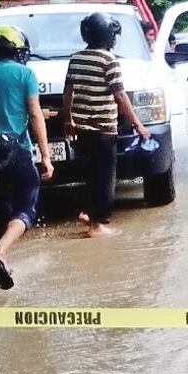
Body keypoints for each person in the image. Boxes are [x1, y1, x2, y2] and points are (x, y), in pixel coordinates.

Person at [0, 25, 54, 290]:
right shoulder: (26, 74)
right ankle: (0, 250)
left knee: (2, 208)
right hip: (18, 152)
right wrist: (46, 156)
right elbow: (36, 115)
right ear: (18, 51)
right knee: (26, 208)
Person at [63, 12, 150, 238]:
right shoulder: (109, 61)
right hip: (103, 131)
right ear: (107, 35)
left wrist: (68, 120)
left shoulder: (76, 59)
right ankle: (98, 225)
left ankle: (88, 215)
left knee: (90, 176)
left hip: (82, 131)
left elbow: (68, 92)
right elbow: (120, 97)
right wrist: (139, 125)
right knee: (105, 179)